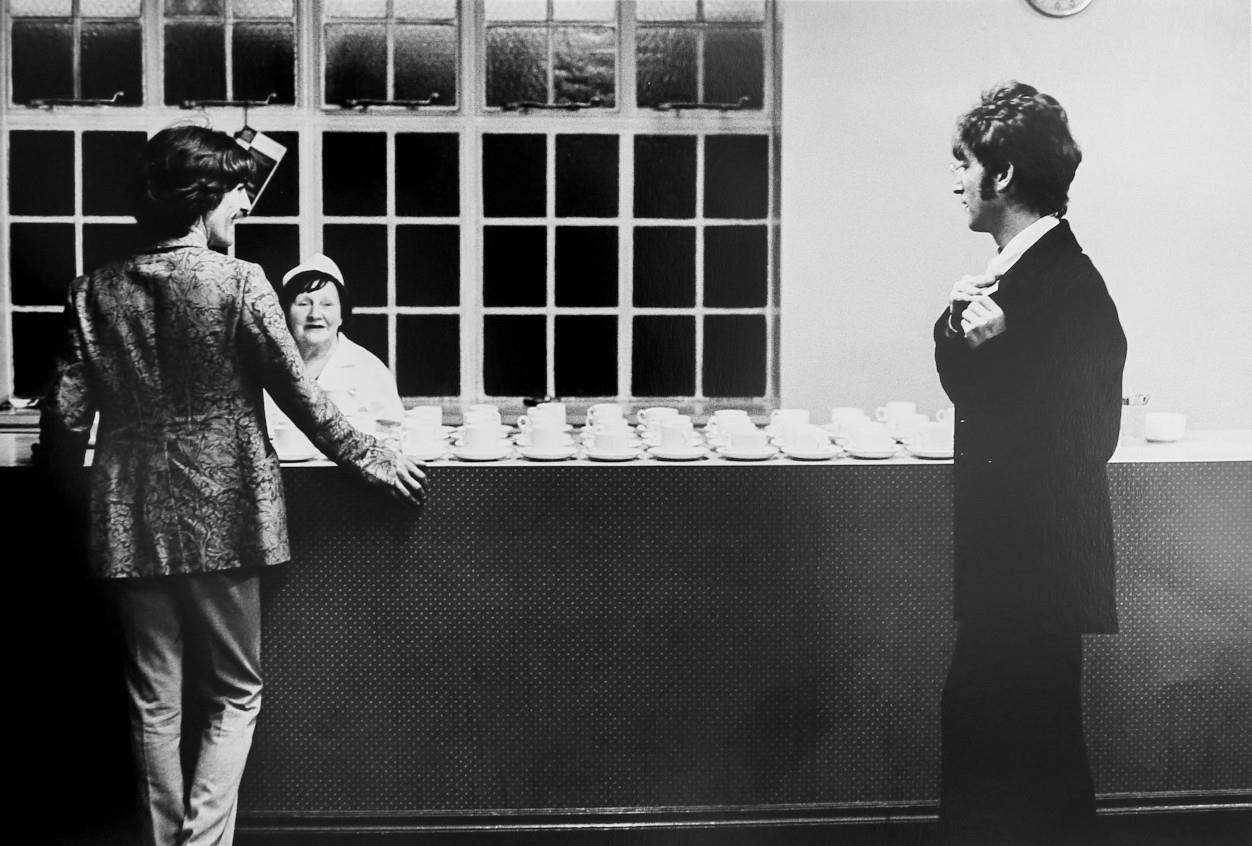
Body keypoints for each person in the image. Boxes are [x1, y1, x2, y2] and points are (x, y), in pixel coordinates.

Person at [35, 124, 426, 846]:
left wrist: (69, 511)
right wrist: (372, 457)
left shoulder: (92, 292)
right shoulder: (239, 282)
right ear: (204, 195)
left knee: (153, 702)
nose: (246, 203)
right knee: (234, 692)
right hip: (227, 515)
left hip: (129, 519)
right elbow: (305, 401)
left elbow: (61, 426)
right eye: (239, 190)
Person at [933, 82, 1127, 845]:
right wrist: (962, 331)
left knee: (1019, 749)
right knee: (1007, 743)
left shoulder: (1067, 285)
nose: (953, 181)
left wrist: (997, 350)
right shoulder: (1020, 275)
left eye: (963, 162)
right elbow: (968, 384)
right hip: (1012, 570)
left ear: (1003, 173)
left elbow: (1084, 441)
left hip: (1033, 574)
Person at [263, 252, 404, 445]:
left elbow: (393, 439)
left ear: (341, 315)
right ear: (286, 313)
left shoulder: (370, 369)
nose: (315, 314)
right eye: (304, 304)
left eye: (327, 304)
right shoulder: (264, 366)